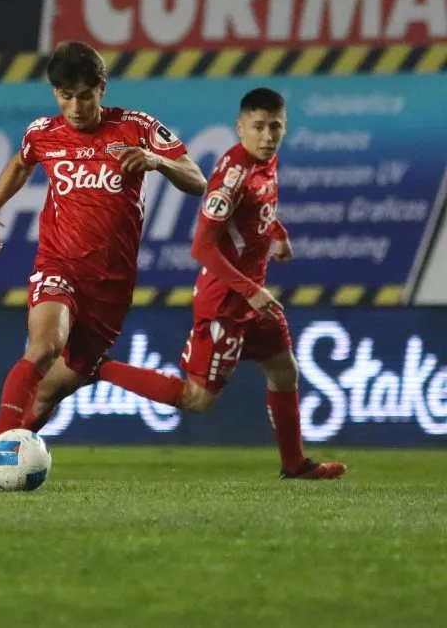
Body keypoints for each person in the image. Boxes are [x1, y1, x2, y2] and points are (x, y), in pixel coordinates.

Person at [0, 40, 207, 488]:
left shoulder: (137, 127)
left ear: (101, 89)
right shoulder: (43, 132)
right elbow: (22, 164)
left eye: (84, 95)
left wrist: (157, 161)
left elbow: (197, 180)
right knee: (44, 347)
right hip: (58, 263)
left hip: (111, 285)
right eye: (64, 94)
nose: (75, 106)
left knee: (50, 390)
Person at [40, 88, 346, 480]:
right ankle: (100, 368)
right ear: (241, 128)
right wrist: (249, 290)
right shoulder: (231, 177)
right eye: (258, 127)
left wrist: (277, 233)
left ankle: (295, 465)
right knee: (198, 399)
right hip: (228, 301)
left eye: (275, 127)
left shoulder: (266, 162)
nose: (267, 136)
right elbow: (201, 247)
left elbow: (254, 213)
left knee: (285, 372)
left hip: (253, 298)